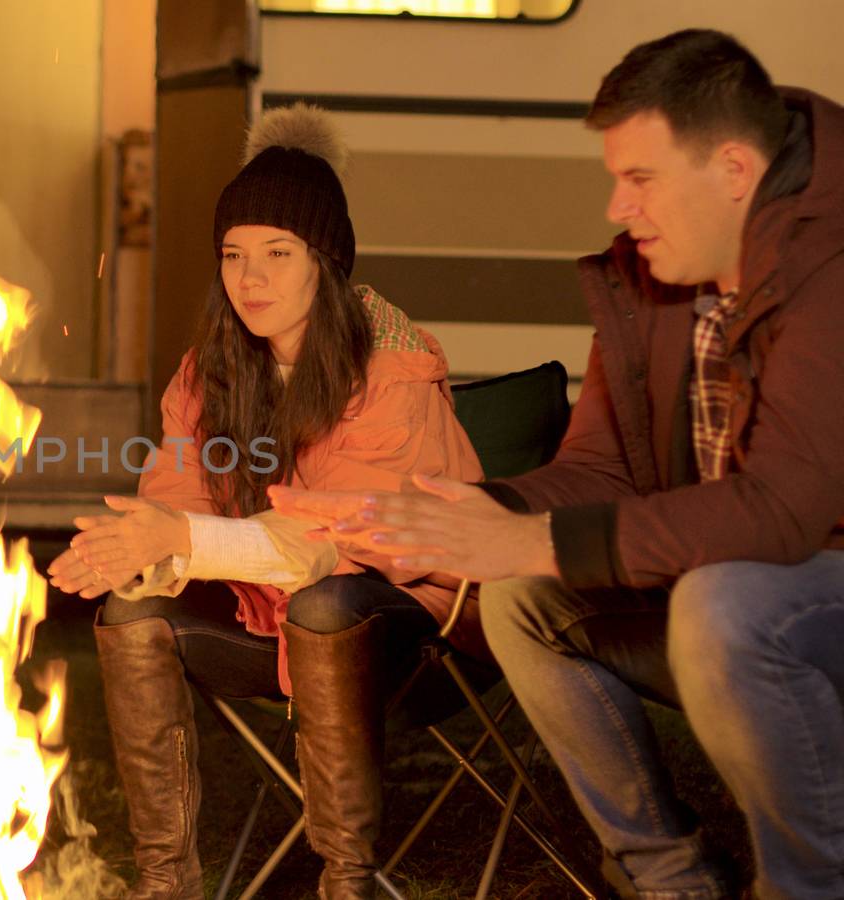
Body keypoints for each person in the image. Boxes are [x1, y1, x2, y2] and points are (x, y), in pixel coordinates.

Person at [271, 29, 844, 900]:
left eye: (640, 178)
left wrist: (537, 540)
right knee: (519, 592)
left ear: (732, 170)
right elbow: (602, 468)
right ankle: (669, 878)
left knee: (724, 600)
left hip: (805, 586)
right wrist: (465, 513)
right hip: (714, 588)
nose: (618, 208)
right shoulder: (656, 279)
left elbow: (781, 511)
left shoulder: (828, 265)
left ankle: (809, 885)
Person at [47, 105, 483, 900]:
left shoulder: (390, 371)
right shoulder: (210, 370)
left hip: (415, 622)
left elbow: (334, 541)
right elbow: (177, 492)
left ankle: (345, 883)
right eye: (234, 254)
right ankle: (165, 882)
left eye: (278, 254)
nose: (250, 279)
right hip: (271, 613)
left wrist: (179, 535)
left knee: (323, 600)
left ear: (326, 262)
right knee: (130, 612)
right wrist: (145, 551)